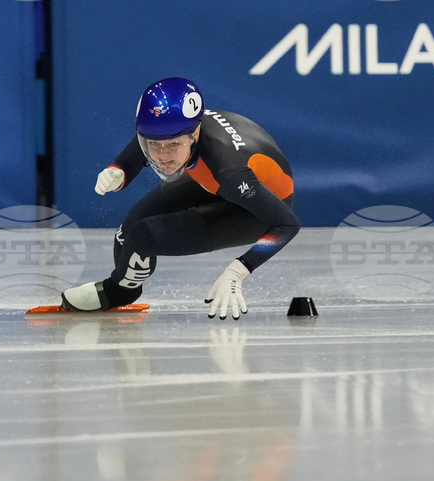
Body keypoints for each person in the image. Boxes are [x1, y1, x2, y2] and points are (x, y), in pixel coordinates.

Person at [60, 77, 299, 319]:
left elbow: (287, 223)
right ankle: (127, 287)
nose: (163, 155)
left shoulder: (228, 170)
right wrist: (118, 169)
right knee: (126, 233)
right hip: (216, 180)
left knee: (143, 236)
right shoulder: (171, 126)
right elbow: (143, 144)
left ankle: (117, 293)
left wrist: (239, 270)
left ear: (195, 132)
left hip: (256, 209)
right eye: (154, 144)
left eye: (173, 144)